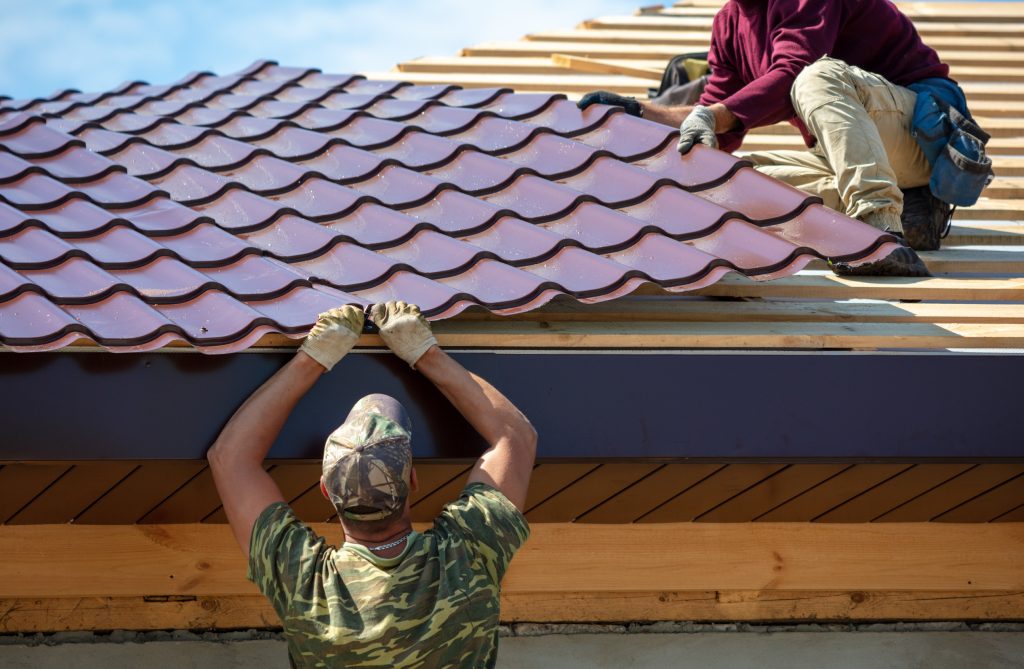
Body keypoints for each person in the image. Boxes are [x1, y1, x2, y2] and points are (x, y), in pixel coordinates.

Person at [208, 300, 537, 668]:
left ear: (325, 491)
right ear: (412, 481)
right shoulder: (466, 556)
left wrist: (314, 357)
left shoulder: (307, 583)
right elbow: (514, 437)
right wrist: (423, 351)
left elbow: (230, 457)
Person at [579, 0, 970, 276]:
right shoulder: (729, 24)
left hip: (923, 136)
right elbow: (717, 113)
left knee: (816, 76)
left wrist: (713, 116)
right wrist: (640, 113)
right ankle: (912, 214)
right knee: (725, 179)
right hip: (851, 154)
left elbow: (794, 71)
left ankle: (881, 234)